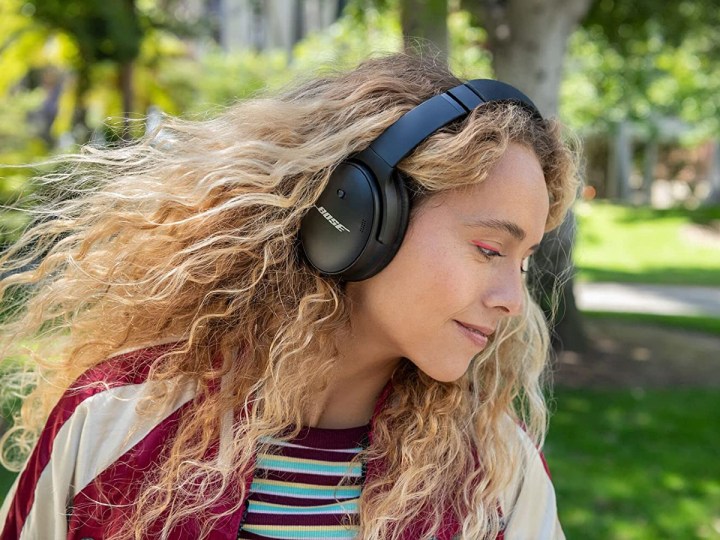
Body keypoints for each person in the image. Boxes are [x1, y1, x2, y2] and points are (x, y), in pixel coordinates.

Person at [0, 53, 578, 540]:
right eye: (489, 248)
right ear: (355, 215)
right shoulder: (112, 424)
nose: (513, 301)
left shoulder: (498, 480)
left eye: (525, 264)